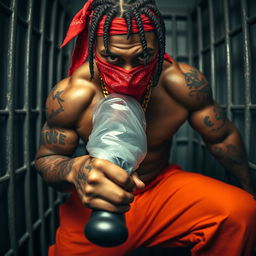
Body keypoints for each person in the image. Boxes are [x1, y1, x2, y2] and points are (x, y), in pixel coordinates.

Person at [35, 0, 256, 255]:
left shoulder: (182, 83)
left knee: (242, 213)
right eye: (113, 57)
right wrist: (75, 170)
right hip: (99, 200)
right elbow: (47, 159)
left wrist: (249, 188)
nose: (128, 71)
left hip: (161, 188)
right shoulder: (72, 95)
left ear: (159, 47)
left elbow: (222, 137)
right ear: (93, 48)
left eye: (143, 56)